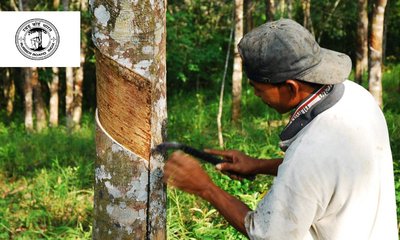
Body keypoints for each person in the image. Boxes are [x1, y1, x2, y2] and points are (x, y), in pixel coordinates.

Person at [163, 19, 398, 239]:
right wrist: (258, 165)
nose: (255, 95)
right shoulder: (355, 96)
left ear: (291, 88)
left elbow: (265, 232)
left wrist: (205, 187)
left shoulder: (311, 152)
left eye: (258, 88)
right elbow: (327, 171)